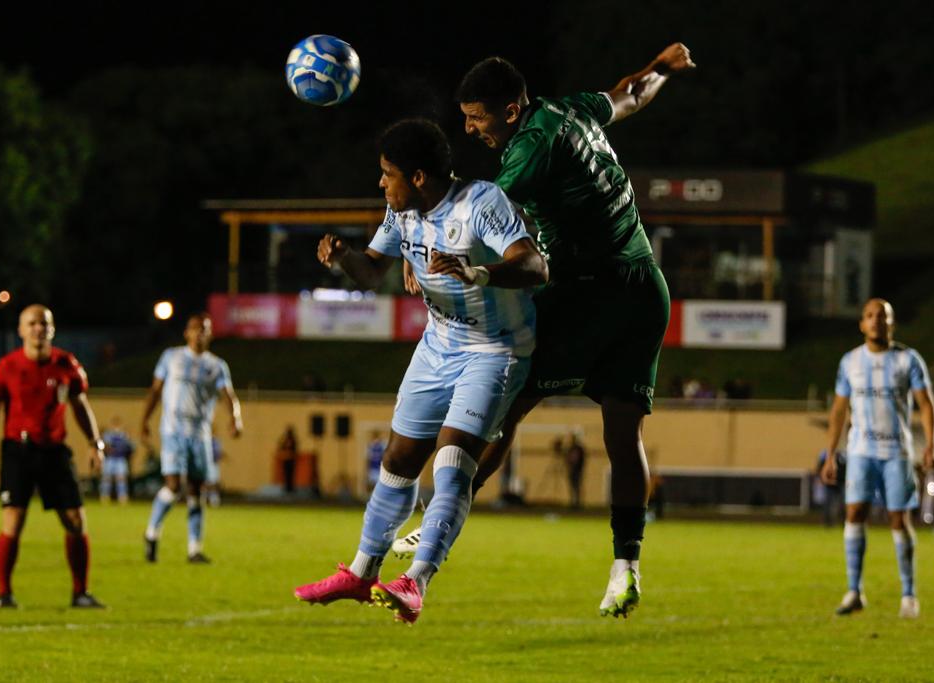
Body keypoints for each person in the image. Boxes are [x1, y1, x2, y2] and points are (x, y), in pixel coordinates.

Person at [393, 43, 695, 619]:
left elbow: (482, 213)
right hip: (643, 289)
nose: (470, 128)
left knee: (505, 403)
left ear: (509, 111)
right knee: (622, 433)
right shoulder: (571, 111)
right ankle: (626, 567)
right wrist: (662, 67)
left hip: (586, 294)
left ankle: (441, 519)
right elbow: (629, 94)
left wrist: (418, 238)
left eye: (477, 117)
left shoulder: (529, 147)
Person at [293, 118, 547, 624]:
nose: (381, 183)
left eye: (388, 174)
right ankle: (363, 572)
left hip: (494, 350)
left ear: (420, 177)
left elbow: (535, 266)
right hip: (437, 346)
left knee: (452, 461)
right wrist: (344, 256)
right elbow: (371, 270)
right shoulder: (401, 212)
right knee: (399, 458)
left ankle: (416, 580)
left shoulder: (481, 204)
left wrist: (477, 271)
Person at [0, 304, 105, 608]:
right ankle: (4, 593)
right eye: (32, 323)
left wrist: (95, 442)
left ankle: (80, 592)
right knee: (14, 520)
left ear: (52, 329)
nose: (38, 329)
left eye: (44, 323)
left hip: (55, 451)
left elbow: (80, 405)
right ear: (21, 330)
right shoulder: (6, 367)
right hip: (18, 451)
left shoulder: (66, 364)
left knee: (75, 519)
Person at [821, 298, 934, 619]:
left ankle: (909, 595)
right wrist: (830, 455)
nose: (876, 321)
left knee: (899, 520)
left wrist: (931, 445)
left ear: (891, 324)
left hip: (896, 453)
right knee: (854, 513)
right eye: (870, 316)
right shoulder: (850, 362)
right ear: (861, 324)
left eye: (882, 316)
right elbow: (838, 411)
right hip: (860, 452)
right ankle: (854, 591)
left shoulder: (907, 360)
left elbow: (926, 404)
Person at [141, 313, 243, 564]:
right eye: (196, 328)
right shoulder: (171, 357)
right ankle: (152, 533)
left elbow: (228, 395)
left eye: (205, 329)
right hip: (173, 430)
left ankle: (194, 548)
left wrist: (236, 417)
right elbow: (155, 390)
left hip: (200, 434)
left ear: (210, 334)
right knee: (174, 486)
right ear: (186, 332)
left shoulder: (216, 365)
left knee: (197, 489)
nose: (200, 333)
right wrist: (144, 419)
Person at [99, 416, 135, 504]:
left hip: (120, 459)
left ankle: (122, 496)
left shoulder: (124, 436)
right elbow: (103, 446)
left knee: (121, 478)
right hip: (110, 458)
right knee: (107, 478)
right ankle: (105, 496)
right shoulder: (108, 435)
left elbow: (130, 447)